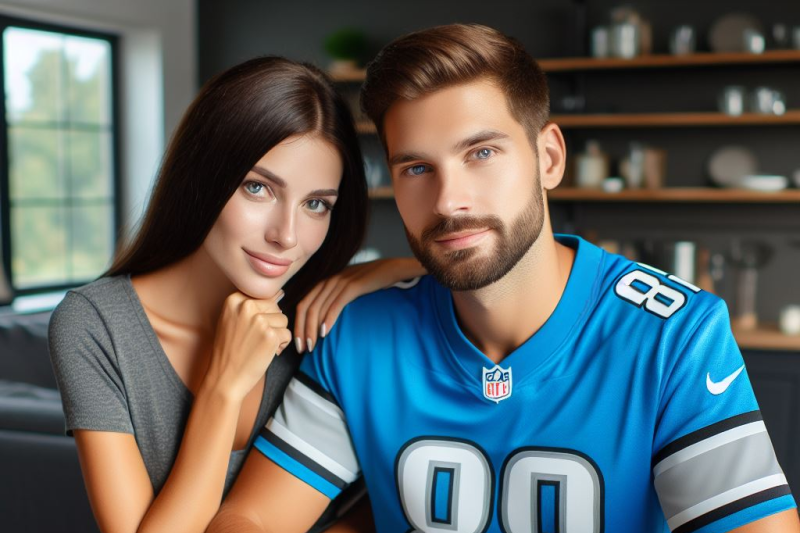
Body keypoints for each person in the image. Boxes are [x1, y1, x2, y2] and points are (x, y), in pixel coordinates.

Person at [208, 24, 800, 533]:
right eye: (416, 168)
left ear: (549, 158)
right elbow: (253, 518)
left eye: (482, 153)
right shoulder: (360, 332)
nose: (450, 200)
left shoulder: (674, 336)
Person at [47, 56, 422, 533]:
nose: (287, 235)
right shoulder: (96, 325)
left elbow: (390, 502)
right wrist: (222, 388)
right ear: (201, 175)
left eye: (315, 204)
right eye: (258, 188)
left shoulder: (329, 318)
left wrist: (402, 269)